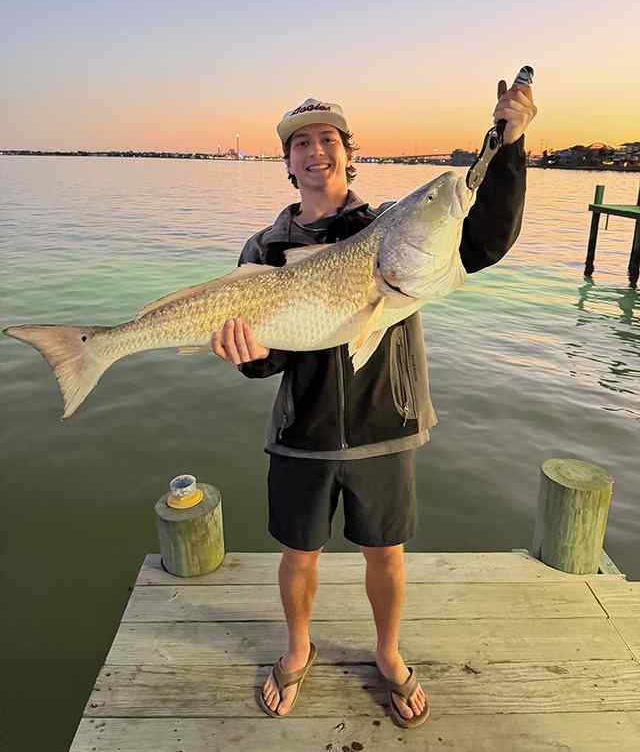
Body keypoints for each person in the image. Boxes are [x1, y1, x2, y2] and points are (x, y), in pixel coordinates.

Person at [210, 83, 537, 728]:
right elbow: (267, 362)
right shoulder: (263, 249)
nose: (315, 151)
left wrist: (512, 143)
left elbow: (487, 237)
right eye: (300, 142)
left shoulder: (385, 227)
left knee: (386, 553)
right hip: (300, 433)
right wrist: (245, 352)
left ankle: (387, 654)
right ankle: (298, 649)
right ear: (287, 160)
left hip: (385, 425)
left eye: (327, 139)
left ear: (347, 153)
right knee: (298, 553)